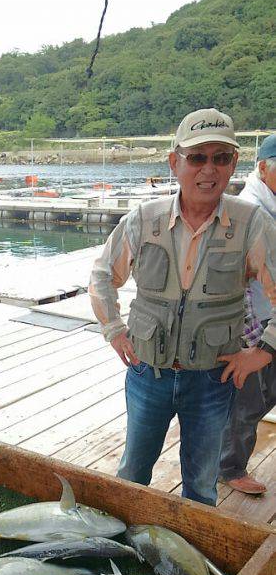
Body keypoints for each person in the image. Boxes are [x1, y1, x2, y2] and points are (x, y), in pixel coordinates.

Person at [89, 108, 276, 507]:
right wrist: (114, 330)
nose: (209, 169)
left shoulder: (252, 223)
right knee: (132, 473)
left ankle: (193, 560)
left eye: (221, 157)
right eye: (197, 157)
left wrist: (262, 352)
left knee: (201, 484)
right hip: (146, 373)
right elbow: (103, 276)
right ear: (175, 162)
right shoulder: (144, 219)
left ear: (233, 164)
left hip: (212, 380)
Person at [219, 133, 276, 494]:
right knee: (248, 400)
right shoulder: (252, 209)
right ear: (262, 167)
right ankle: (229, 467)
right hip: (253, 323)